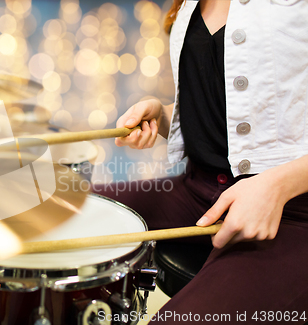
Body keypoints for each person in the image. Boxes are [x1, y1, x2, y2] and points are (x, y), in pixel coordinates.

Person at [95, 0, 308, 323]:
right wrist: (166, 115)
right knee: (51, 215)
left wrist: (277, 186)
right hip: (199, 188)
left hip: (293, 212)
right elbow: (237, 109)